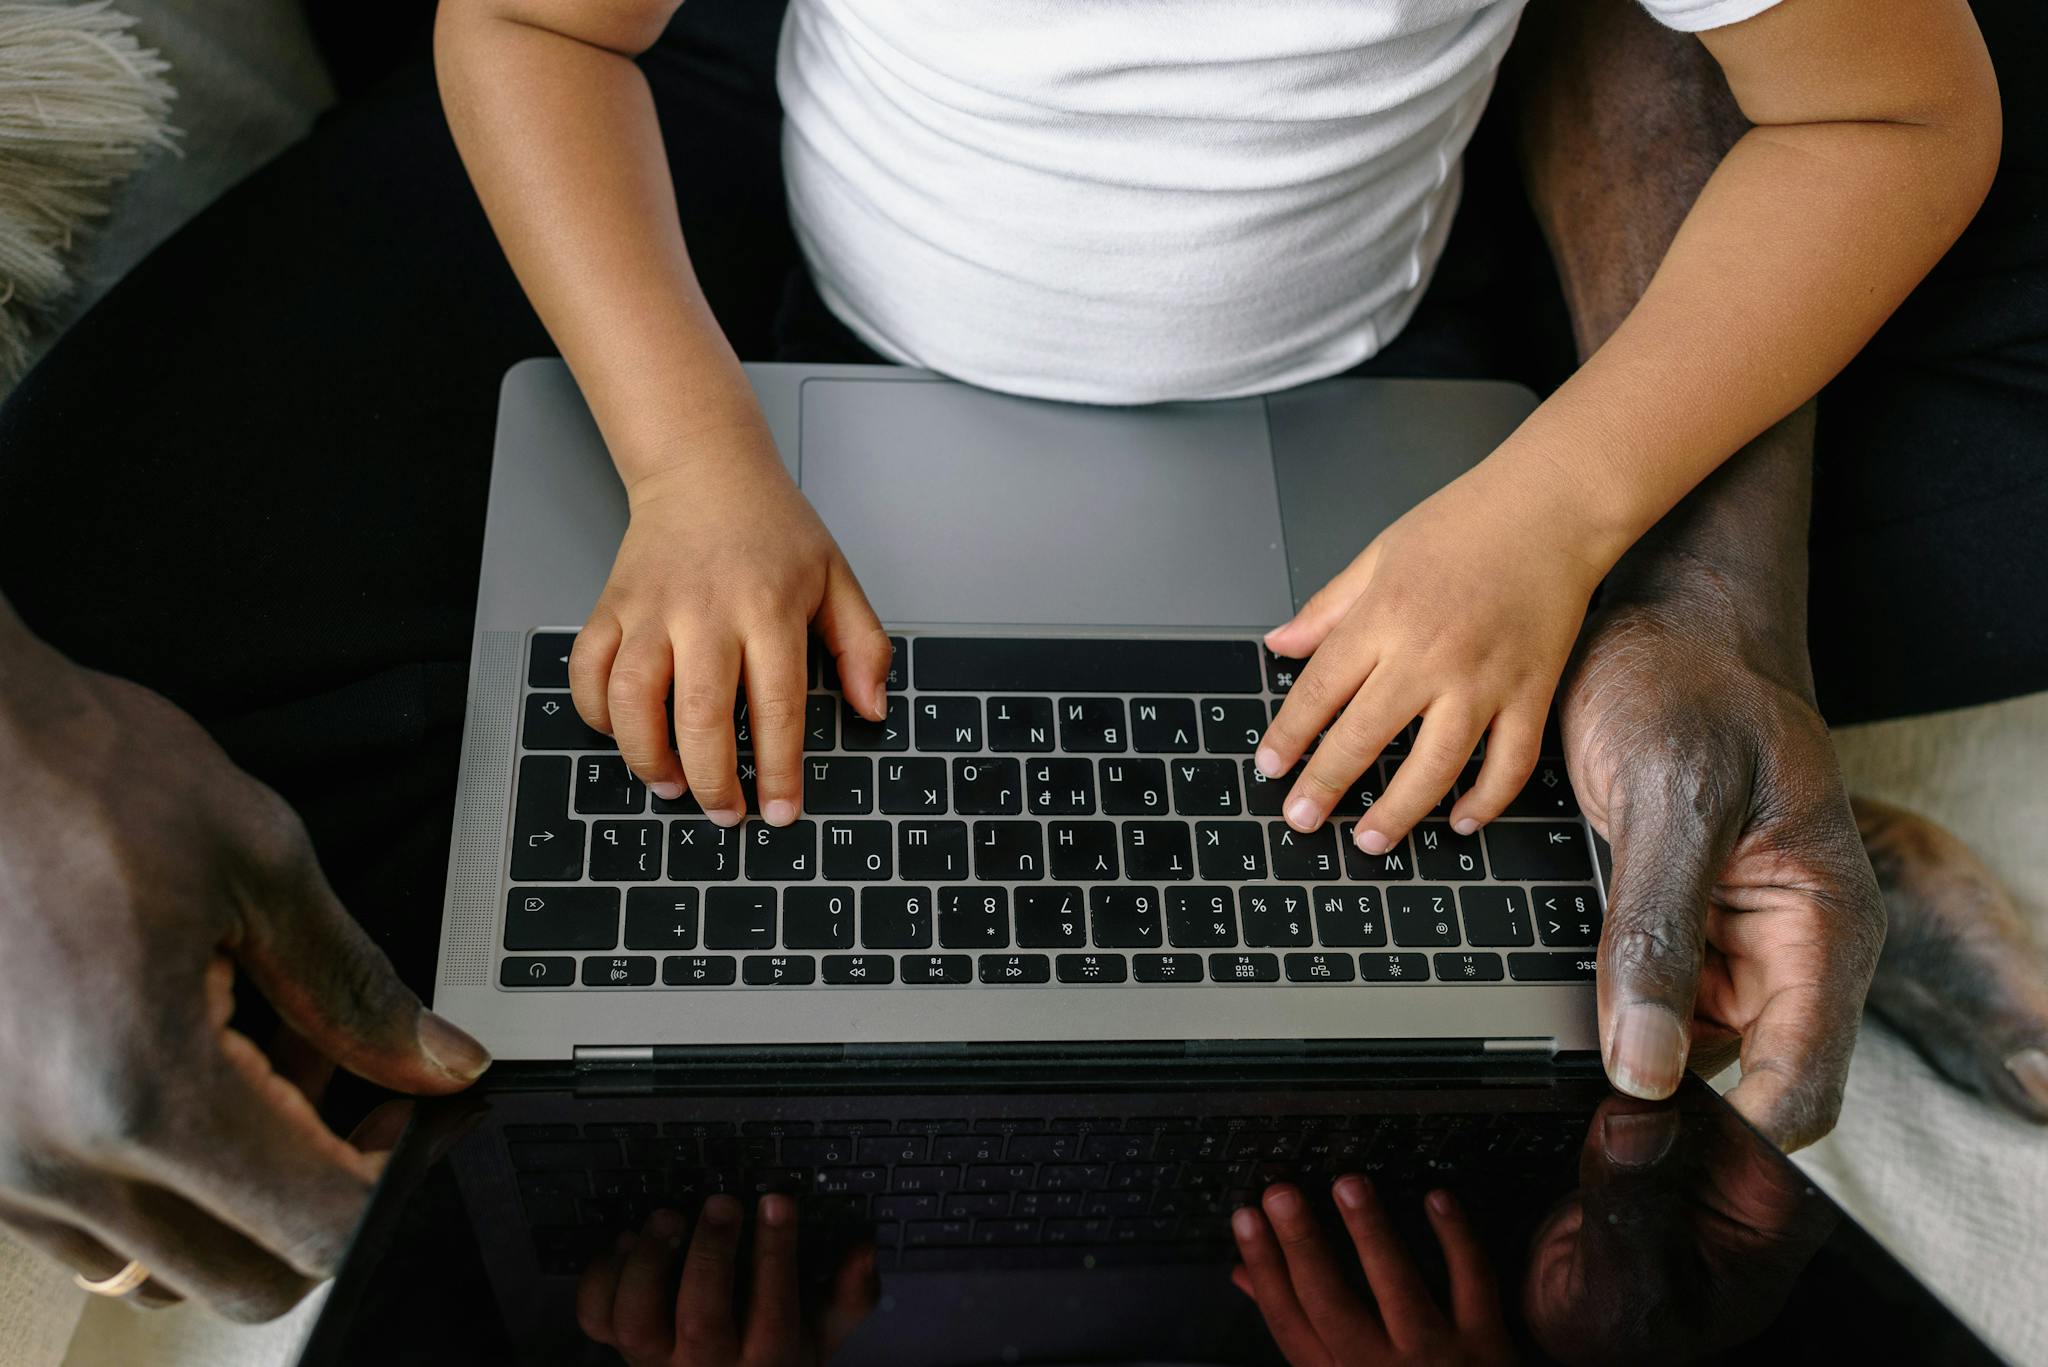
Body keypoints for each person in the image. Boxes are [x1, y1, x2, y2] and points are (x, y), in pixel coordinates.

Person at [0, 0, 2043, 1321]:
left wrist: (1556, 517)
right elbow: (528, 26)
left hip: (1389, 414)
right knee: (221, 654)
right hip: (806, 335)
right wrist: (691, 461)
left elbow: (1887, 114)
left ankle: (1712, 798)